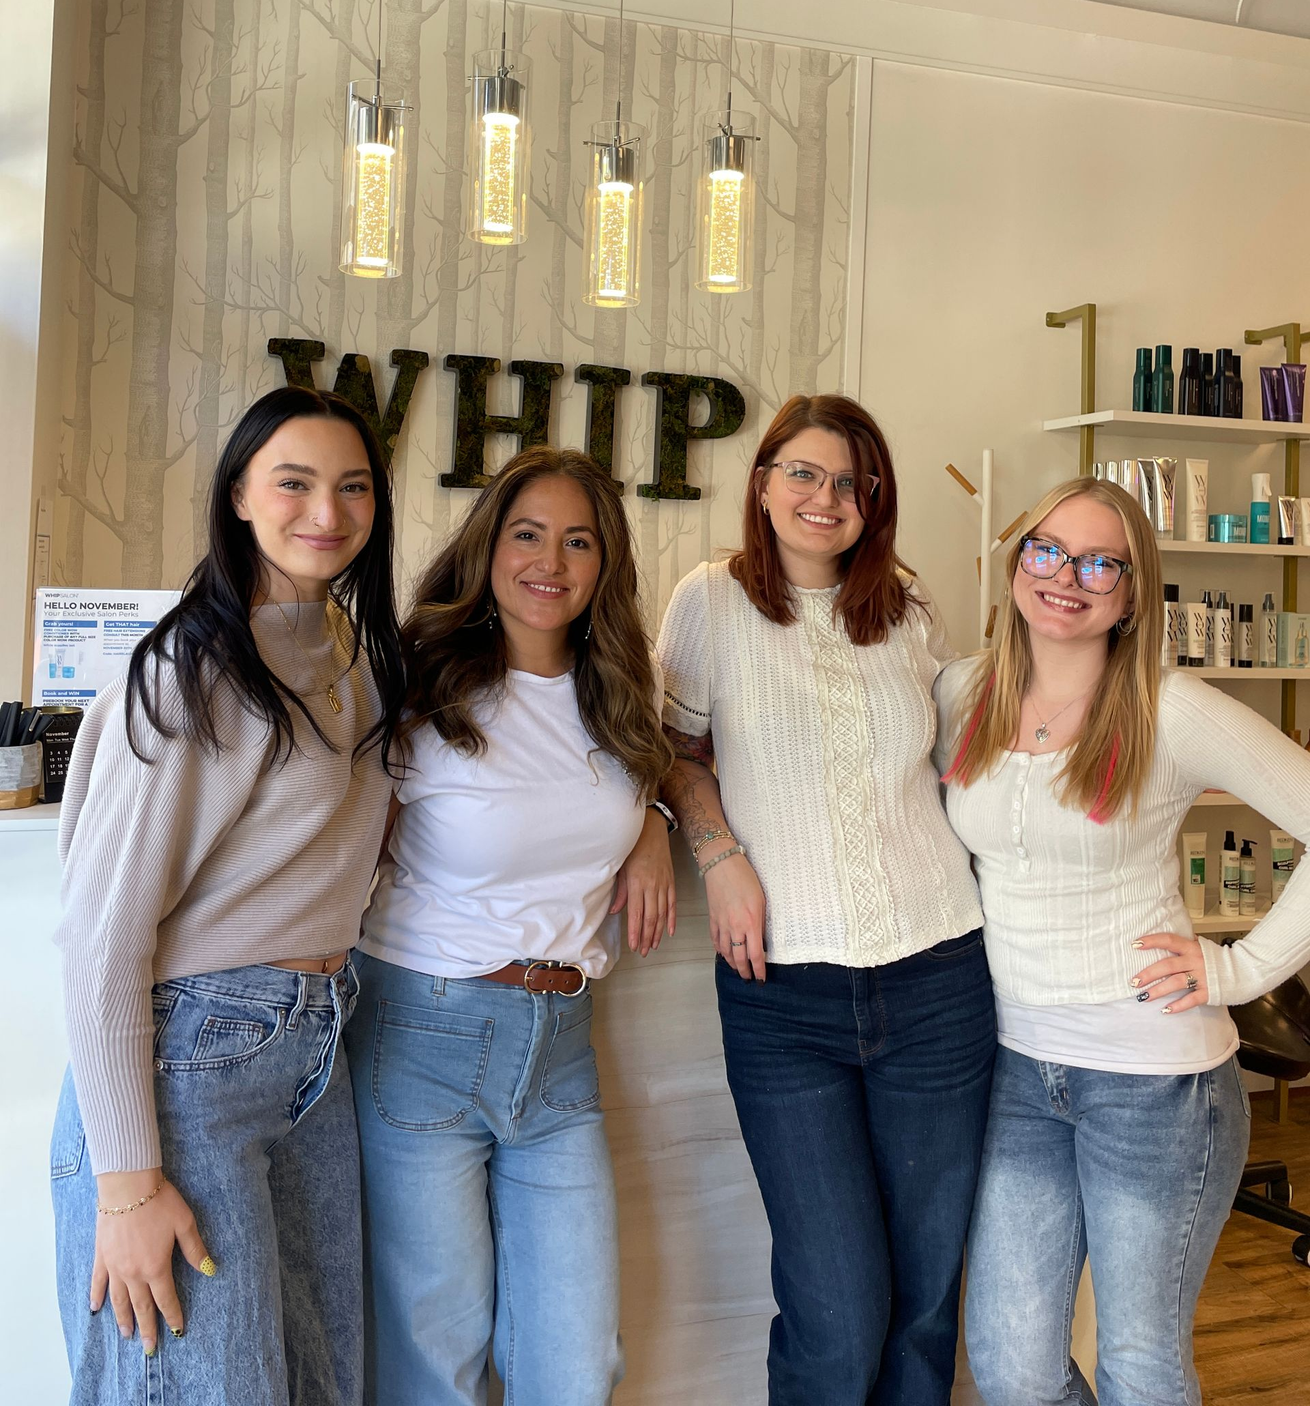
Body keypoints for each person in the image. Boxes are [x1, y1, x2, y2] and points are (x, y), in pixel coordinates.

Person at [49, 386, 405, 1406]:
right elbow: (100, 940)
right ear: (240, 493)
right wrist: (125, 1186)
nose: (325, 512)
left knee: (314, 1378)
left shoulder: (345, 650)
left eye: (352, 486)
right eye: (293, 482)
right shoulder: (192, 669)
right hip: (187, 1064)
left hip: (312, 1053)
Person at [936, 476, 1310, 1406]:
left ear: (1134, 591)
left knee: (1139, 1366)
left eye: (1103, 561)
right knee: (1014, 1367)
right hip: (1016, 1068)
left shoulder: (1169, 708)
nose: (1069, 576)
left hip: (1156, 1086)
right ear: (1016, 559)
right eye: (1048, 549)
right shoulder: (962, 691)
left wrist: (1242, 968)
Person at [655, 393, 994, 1406]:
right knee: (836, 1306)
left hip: (937, 978)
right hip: (783, 996)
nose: (825, 495)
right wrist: (717, 854)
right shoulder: (708, 600)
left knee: (924, 1300)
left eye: (849, 480)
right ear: (760, 484)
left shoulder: (905, 605)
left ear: (872, 500)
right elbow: (666, 752)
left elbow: (951, 760)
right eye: (802, 471)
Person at [347, 446, 675, 1406]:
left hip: (562, 1048)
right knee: (434, 1360)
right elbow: (349, 844)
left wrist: (654, 823)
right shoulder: (418, 679)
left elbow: (642, 779)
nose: (553, 563)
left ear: (605, 563)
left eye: (579, 542)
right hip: (421, 1031)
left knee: (576, 1364)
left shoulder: (619, 690)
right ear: (488, 548)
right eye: (528, 535)